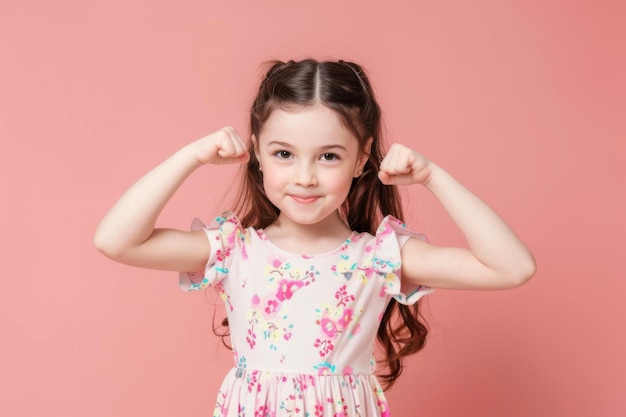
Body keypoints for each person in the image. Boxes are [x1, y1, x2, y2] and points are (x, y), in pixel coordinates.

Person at [94, 58, 536, 416]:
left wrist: (434, 177)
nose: (304, 177)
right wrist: (191, 156)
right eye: (284, 153)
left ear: (362, 157)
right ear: (258, 155)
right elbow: (116, 240)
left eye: (328, 156)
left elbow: (512, 267)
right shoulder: (234, 250)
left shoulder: (379, 258)